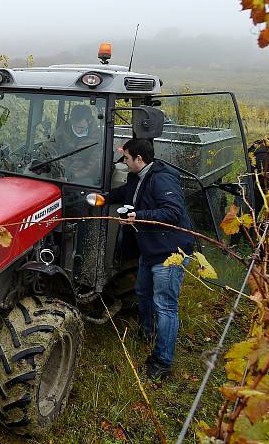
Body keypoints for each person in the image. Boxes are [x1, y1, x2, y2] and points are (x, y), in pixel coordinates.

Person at [108, 138, 195, 380]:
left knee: (165, 305)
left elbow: (172, 212)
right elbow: (126, 193)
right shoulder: (137, 176)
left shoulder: (161, 178)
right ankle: (148, 331)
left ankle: (162, 361)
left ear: (139, 159)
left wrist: (138, 216)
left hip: (170, 250)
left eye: (126, 158)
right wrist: (101, 194)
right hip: (150, 248)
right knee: (142, 291)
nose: (123, 163)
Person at [53, 104, 102, 184]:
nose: (77, 131)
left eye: (81, 128)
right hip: (60, 170)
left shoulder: (98, 137)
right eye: (74, 127)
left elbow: (93, 164)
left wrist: (73, 176)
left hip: (82, 175)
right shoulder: (63, 129)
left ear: (89, 121)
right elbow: (50, 145)